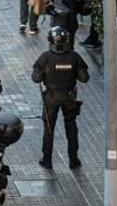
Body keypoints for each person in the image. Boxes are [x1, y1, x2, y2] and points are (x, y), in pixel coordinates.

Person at [31, 26, 89, 169]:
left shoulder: (45, 57)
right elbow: (84, 78)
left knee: (49, 130)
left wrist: (45, 71)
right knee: (71, 128)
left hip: (51, 98)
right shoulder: (74, 57)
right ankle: (73, 160)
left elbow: (36, 79)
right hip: (69, 97)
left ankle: (47, 160)